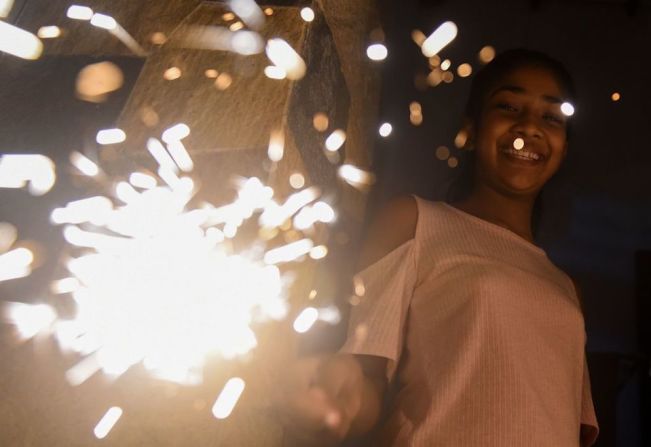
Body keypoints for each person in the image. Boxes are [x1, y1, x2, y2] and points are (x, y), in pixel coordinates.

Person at [276, 49, 599, 446]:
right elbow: (367, 379)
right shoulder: (414, 222)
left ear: (563, 146)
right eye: (509, 106)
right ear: (471, 129)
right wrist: (338, 403)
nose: (529, 126)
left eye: (551, 117)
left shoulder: (566, 289)